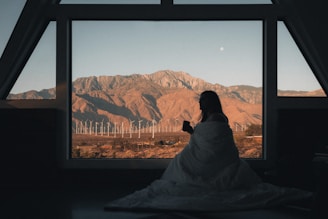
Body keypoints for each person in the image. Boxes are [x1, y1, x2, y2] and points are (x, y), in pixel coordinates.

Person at [161, 90, 262, 190]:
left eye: (203, 100)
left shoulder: (217, 118)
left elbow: (214, 141)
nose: (199, 102)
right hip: (207, 154)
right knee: (180, 160)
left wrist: (193, 131)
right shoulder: (210, 118)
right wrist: (190, 131)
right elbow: (205, 138)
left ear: (210, 102)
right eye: (200, 100)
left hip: (213, 157)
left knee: (180, 162)